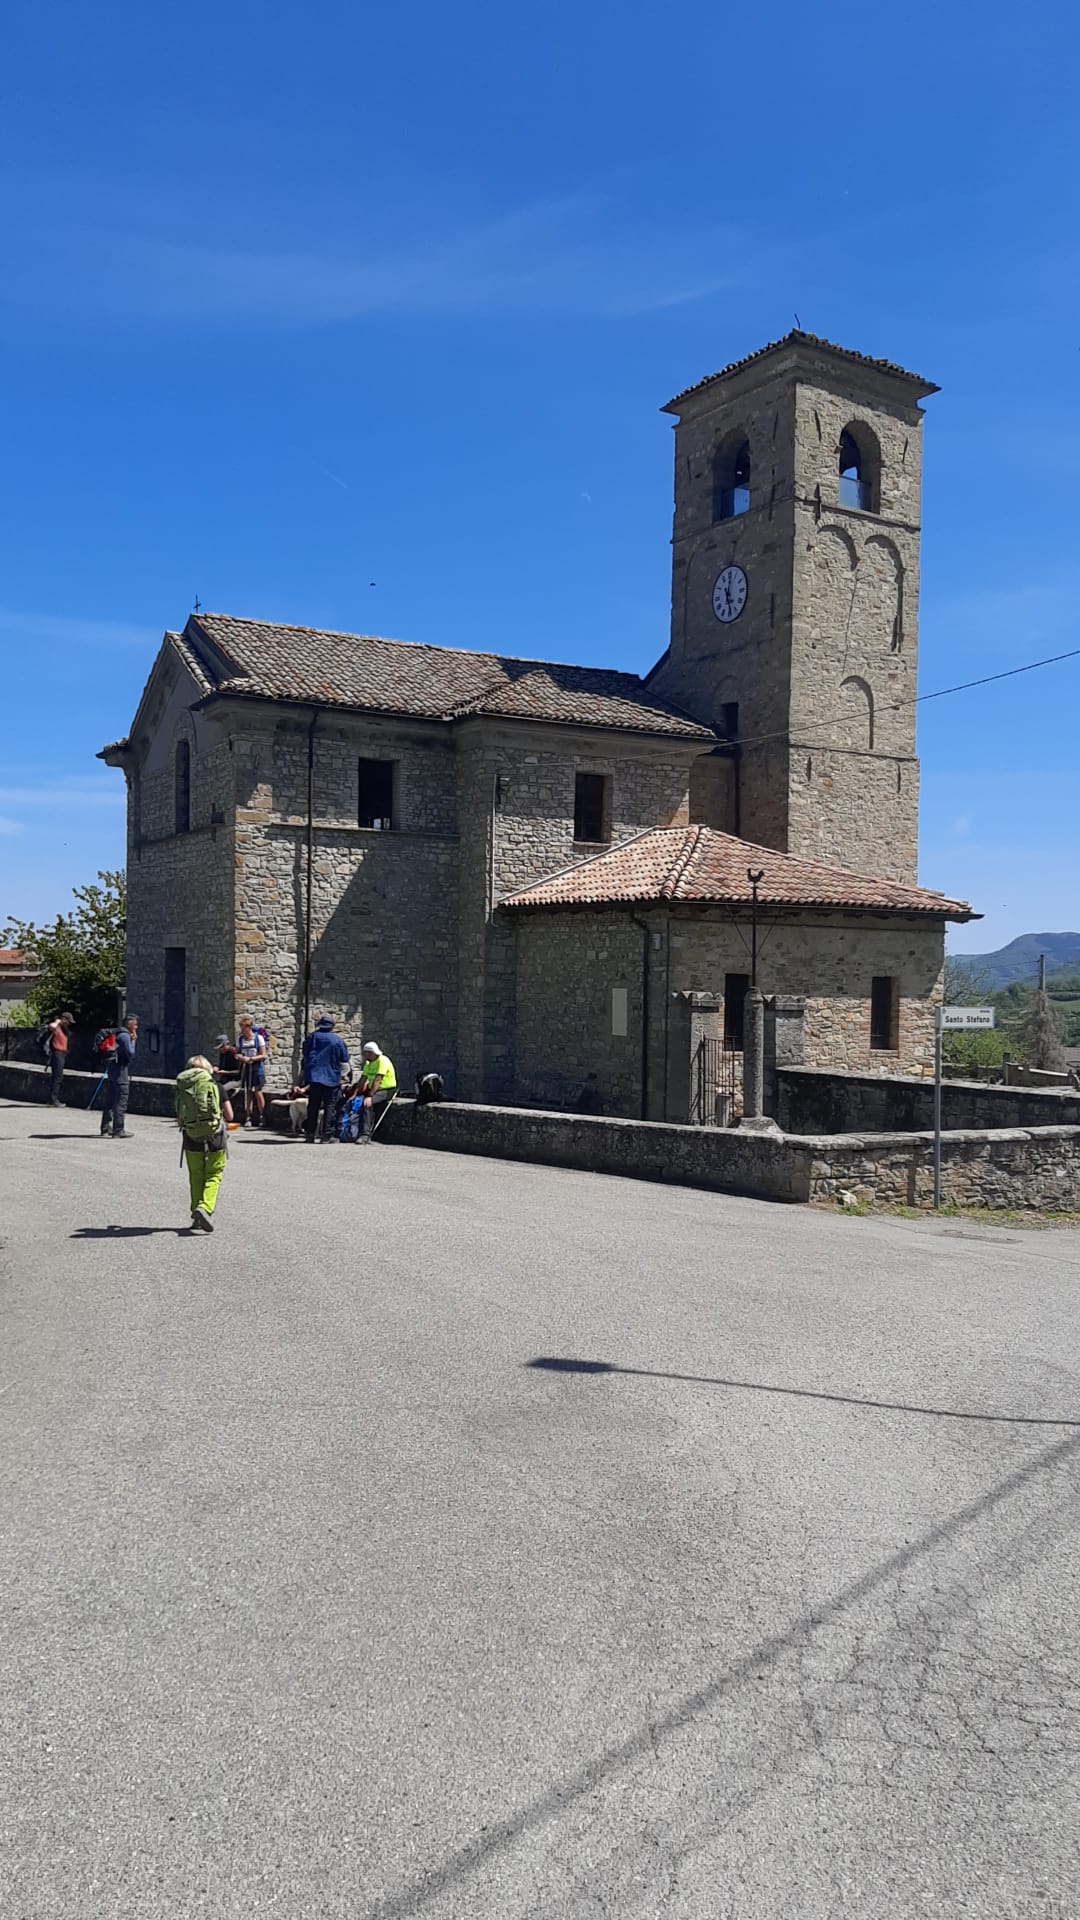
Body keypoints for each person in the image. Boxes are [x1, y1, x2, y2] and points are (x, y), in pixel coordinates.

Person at [175, 1054, 227, 1233]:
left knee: (195, 1175)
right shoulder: (216, 1086)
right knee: (214, 1174)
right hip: (215, 1136)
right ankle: (204, 1208)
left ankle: (196, 1214)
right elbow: (230, 1115)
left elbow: (179, 1118)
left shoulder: (183, 1087)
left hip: (191, 1136)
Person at [301, 1015, 350, 1143]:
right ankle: (326, 1136)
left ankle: (310, 1134)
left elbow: (305, 1054)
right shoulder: (337, 1040)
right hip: (331, 1077)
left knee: (313, 1106)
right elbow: (344, 1059)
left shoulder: (312, 1037)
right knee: (330, 1106)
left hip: (314, 1077)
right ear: (332, 1026)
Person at [100, 1014, 138, 1138]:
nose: (136, 1027)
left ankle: (105, 1128)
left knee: (110, 1100)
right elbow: (131, 1053)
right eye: (135, 1024)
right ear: (129, 1024)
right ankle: (118, 1129)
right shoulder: (125, 1036)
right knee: (121, 1100)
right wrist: (133, 1041)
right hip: (121, 1071)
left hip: (112, 1070)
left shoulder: (117, 1034)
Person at [358, 1040, 397, 1141]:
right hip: (375, 1090)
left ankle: (365, 1135)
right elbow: (363, 1079)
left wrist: (370, 1097)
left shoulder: (383, 1060)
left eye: (365, 1053)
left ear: (371, 1053)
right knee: (359, 1101)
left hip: (387, 1090)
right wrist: (355, 1093)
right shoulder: (368, 1063)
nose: (364, 1055)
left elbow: (378, 1079)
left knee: (367, 1104)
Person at [236, 1016, 267, 1128]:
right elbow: (237, 1053)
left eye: (243, 1028)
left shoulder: (258, 1039)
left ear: (249, 1027)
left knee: (258, 1092)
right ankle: (248, 1116)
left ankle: (262, 1116)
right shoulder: (240, 1039)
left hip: (257, 1068)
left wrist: (251, 1059)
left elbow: (263, 1055)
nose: (242, 1030)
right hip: (246, 1068)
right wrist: (240, 1057)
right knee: (248, 1092)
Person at [214, 1032, 245, 1126]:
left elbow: (239, 1072)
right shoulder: (222, 1054)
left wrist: (225, 1072)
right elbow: (222, 1066)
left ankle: (224, 1113)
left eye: (221, 1047)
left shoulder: (234, 1053)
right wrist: (217, 1068)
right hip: (225, 1079)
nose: (220, 1050)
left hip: (236, 1081)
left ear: (225, 1045)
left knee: (222, 1090)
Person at [45, 1012, 75, 1106]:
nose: (69, 1024)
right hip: (57, 1053)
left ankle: (52, 1099)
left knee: (57, 1076)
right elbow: (51, 1026)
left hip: (61, 1054)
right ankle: (53, 1100)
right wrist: (58, 1021)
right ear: (64, 1019)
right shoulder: (56, 1027)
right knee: (57, 1077)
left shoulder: (64, 1029)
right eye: (68, 1021)